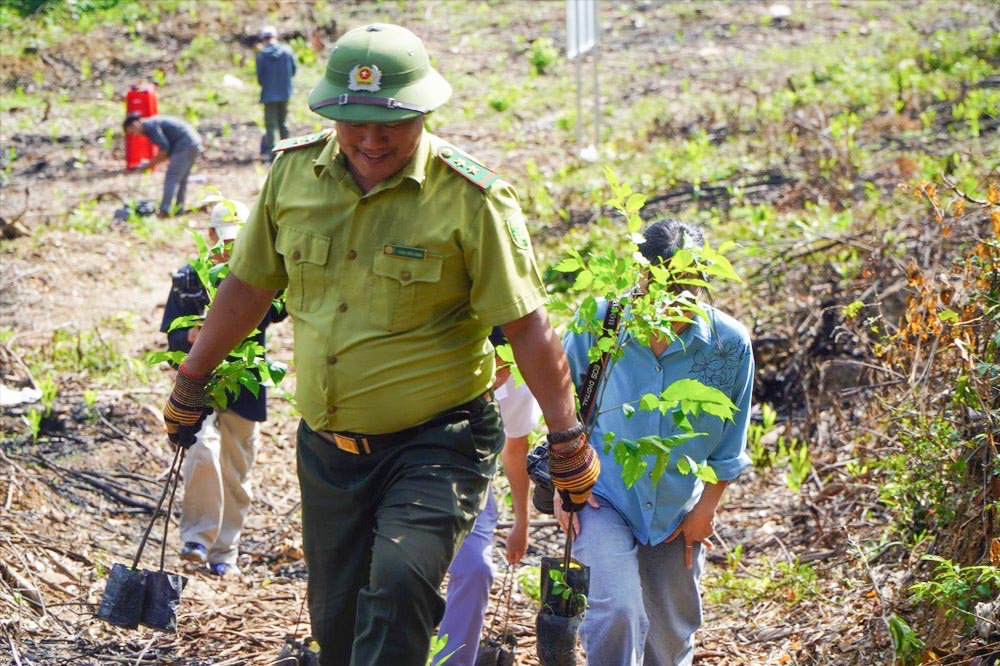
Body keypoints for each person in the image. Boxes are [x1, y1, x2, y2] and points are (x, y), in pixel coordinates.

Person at [160, 23, 599, 666]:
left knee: (398, 584)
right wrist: (191, 382)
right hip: (328, 450)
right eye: (353, 121)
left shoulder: (472, 199)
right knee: (336, 623)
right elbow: (248, 286)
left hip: (438, 441)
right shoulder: (292, 176)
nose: (370, 138)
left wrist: (565, 437)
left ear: (423, 110)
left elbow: (527, 326)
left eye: (388, 122)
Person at [557, 219, 754, 666]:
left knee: (669, 637)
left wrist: (706, 510)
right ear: (641, 276)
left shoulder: (728, 345)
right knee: (617, 609)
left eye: (690, 287)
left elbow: (730, 440)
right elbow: (561, 408)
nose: (677, 301)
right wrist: (564, 484)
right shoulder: (599, 326)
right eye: (664, 286)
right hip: (602, 496)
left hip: (677, 508)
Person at [160, 199, 286, 576]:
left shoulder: (262, 280)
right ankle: (197, 538)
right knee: (201, 447)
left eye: (238, 241)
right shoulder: (188, 278)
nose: (229, 249)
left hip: (245, 389)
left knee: (236, 469)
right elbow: (172, 334)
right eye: (224, 240)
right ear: (211, 236)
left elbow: (288, 306)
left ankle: (224, 551)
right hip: (201, 388)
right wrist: (195, 336)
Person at [437, 327, 541, 666]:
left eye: (506, 365)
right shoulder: (439, 367)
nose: (499, 375)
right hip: (411, 473)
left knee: (477, 568)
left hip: (472, 483)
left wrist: (521, 523)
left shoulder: (517, 382)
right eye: (494, 363)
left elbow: (515, 451)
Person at [124, 112, 203, 218]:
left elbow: (164, 149)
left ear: (135, 124)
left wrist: (149, 165)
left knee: (172, 178)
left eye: (132, 132)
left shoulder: (149, 126)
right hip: (193, 143)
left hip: (185, 145)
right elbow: (166, 151)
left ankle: (164, 211)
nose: (135, 135)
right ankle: (179, 210)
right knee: (181, 179)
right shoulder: (152, 123)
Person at [255, 25, 298, 158]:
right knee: (283, 123)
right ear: (276, 37)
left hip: (268, 95)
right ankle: (287, 151)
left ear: (263, 39)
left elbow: (260, 77)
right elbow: (294, 70)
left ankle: (272, 153)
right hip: (285, 92)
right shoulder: (287, 51)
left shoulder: (261, 55)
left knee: (270, 125)